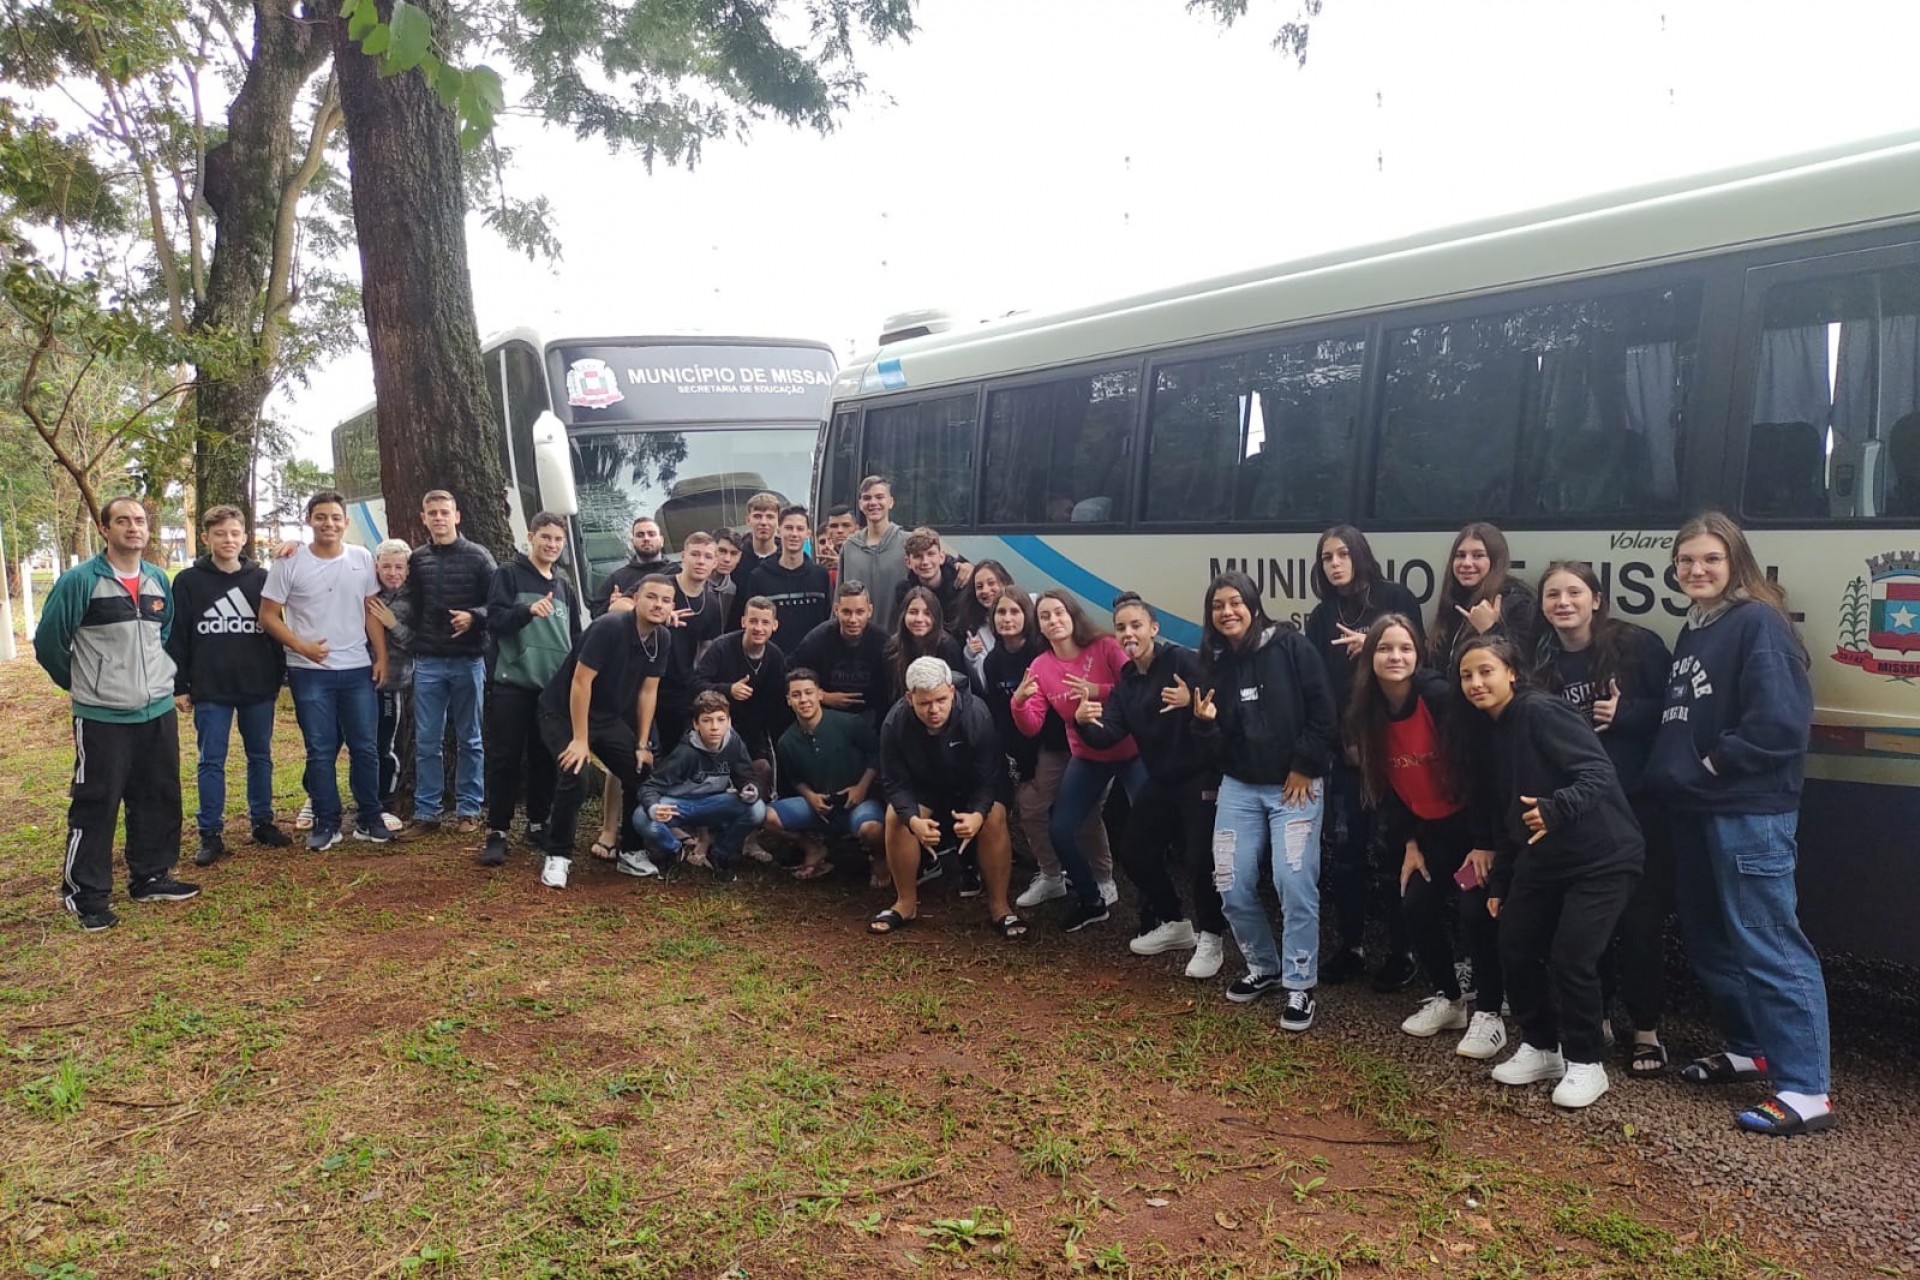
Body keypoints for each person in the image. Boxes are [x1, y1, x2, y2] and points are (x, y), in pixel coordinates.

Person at [1646, 511, 1833, 1136]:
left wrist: (1712, 761)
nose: (1696, 570)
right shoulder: (1696, 628)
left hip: (1748, 812)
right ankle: (1749, 1046)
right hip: (1697, 809)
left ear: (1736, 564)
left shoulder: (1759, 623)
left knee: (1770, 944)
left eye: (1710, 560)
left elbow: (1780, 724)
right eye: (1686, 561)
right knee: (1711, 941)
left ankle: (1806, 1089)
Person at [1460, 635, 1643, 1110]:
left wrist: (1556, 808)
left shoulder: (1541, 712)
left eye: (1486, 671)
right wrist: (1501, 882)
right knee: (1515, 944)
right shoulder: (1491, 729)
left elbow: (1598, 773)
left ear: (1512, 674)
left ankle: (1586, 1062)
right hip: (1543, 859)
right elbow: (1509, 813)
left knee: (1571, 957)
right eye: (1467, 675)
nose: (1476, 682)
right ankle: (1542, 1046)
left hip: (1603, 857)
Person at [1534, 561, 1675, 1077]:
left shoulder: (1638, 646)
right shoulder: (1543, 662)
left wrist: (1628, 715)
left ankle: (1648, 1032)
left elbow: (1680, 712)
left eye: (1574, 592)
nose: (1563, 602)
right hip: (1581, 814)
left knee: (1640, 923)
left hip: (1638, 808)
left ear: (1597, 599)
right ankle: (1598, 1019)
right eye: (1553, 595)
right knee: (1588, 925)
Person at [33, 496, 198, 930]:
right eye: (122, 520)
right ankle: (86, 895)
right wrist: (84, 684)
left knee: (159, 794)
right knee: (97, 803)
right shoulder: (80, 581)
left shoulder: (158, 580)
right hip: (102, 716)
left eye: (140, 521)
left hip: (157, 711)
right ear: (105, 529)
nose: (133, 527)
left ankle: (151, 875)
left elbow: (161, 637)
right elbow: (49, 644)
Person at [1345, 615, 1506, 1059]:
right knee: (1415, 905)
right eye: (1384, 648)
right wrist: (1410, 843)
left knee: (1476, 913)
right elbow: (1386, 787)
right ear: (1370, 658)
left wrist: (1486, 841)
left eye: (1405, 648)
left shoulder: (1437, 698)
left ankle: (1490, 1013)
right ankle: (1449, 999)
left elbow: (1480, 770)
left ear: (1418, 655)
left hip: (1474, 828)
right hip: (1429, 833)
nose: (1395, 657)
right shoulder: (1366, 710)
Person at [1192, 569, 1336, 1031]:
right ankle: (1264, 967)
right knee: (1230, 880)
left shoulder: (1291, 646)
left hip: (1295, 784)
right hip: (1240, 785)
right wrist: (1206, 723)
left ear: (1254, 606)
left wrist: (1304, 764)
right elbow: (1212, 745)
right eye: (1218, 606)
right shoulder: (1214, 664)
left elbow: (1323, 711)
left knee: (1293, 882)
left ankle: (1300, 985)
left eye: (1235, 602)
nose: (1227, 612)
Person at [1078, 593, 1229, 978]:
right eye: (1121, 628)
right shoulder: (1126, 682)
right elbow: (1109, 733)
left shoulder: (1179, 660)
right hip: (1162, 779)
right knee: (1134, 849)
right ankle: (1175, 923)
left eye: (1136, 626)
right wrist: (1084, 720)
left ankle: (1212, 938)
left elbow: (1218, 698)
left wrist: (1189, 699)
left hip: (1200, 775)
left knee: (1199, 859)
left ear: (1154, 629)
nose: (1128, 634)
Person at [1303, 525, 1425, 990]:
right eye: (1326, 557)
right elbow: (1318, 688)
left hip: (1394, 751)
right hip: (1347, 754)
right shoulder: (1321, 615)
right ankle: (1351, 945)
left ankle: (1404, 950)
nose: (1335, 563)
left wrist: (1370, 644)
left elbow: (1418, 665)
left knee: (1396, 850)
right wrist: (1340, 741)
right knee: (1347, 854)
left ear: (1360, 556)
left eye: (1342, 554)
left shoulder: (1394, 597)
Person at [261, 491, 391, 851]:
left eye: (335, 517)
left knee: (365, 747)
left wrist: (381, 657)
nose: (329, 524)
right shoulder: (289, 562)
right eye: (321, 517)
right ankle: (327, 820)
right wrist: (300, 646)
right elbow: (268, 615)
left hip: (356, 669)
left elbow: (370, 610)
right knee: (319, 749)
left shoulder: (362, 558)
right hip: (309, 671)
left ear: (345, 522)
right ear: (309, 520)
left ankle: (369, 817)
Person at [1011, 590, 1142, 932]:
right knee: (1060, 828)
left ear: (1073, 615)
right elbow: (1032, 726)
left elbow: (1137, 687)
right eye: (1045, 616)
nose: (1053, 621)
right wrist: (1019, 703)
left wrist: (1095, 690)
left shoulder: (1105, 646)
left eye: (1059, 613)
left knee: (1146, 828)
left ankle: (1157, 911)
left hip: (1131, 751)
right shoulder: (1040, 666)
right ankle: (1090, 899)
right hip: (1088, 755)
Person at [535, 574, 676, 889]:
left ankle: (631, 851)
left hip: (607, 717)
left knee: (640, 770)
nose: (658, 605)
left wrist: (642, 743)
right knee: (576, 771)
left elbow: (647, 693)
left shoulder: (662, 638)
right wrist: (581, 739)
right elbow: (580, 683)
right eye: (652, 597)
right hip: (561, 712)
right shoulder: (609, 627)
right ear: (636, 598)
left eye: (666, 600)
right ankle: (558, 856)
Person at [167, 504, 289, 865]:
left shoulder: (261, 578)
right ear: (206, 537)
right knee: (211, 761)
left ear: (245, 538)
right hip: (211, 687)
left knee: (260, 757)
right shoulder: (189, 581)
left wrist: (280, 675)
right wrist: (180, 684)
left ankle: (262, 822)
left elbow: (276, 628)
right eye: (220, 534)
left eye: (235, 533)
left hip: (257, 684)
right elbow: (178, 636)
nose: (228, 540)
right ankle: (210, 833)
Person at [871, 656, 1023, 938]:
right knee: (896, 817)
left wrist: (977, 813)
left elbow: (989, 776)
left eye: (941, 700)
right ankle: (905, 903)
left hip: (972, 783)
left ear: (951, 691)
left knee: (994, 817)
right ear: (909, 698)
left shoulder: (977, 715)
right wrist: (912, 819)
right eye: (924, 703)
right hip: (926, 783)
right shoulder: (895, 722)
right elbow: (894, 780)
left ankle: (1000, 907)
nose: (934, 710)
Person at [978, 591, 1103, 911]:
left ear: (1028, 617)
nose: (1007, 618)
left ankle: (1103, 878)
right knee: (1031, 807)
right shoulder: (993, 662)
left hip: (1079, 742)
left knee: (1086, 815)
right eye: (1000, 612)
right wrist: (1020, 758)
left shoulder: (1042, 651)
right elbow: (1005, 714)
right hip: (1039, 747)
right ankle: (1051, 875)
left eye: (1015, 611)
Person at [480, 512, 582, 866]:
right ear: (531, 537)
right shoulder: (508, 574)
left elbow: (575, 637)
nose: (551, 545)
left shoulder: (565, 585)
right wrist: (526, 611)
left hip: (551, 691)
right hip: (512, 684)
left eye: (557, 540)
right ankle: (497, 831)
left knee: (545, 759)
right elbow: (494, 622)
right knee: (505, 758)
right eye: (546, 538)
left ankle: (539, 822)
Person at [406, 489, 497, 834]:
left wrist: (474, 617)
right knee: (427, 740)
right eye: (433, 513)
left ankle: (468, 809)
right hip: (428, 660)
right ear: (424, 518)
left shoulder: (478, 557)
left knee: (469, 738)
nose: (439, 518)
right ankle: (427, 812)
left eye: (445, 512)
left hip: (468, 660)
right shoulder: (417, 559)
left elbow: (498, 603)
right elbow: (409, 603)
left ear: (457, 516)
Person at [634, 690, 766, 882]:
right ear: (696, 724)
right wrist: (655, 808)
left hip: (715, 803)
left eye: (721, 720)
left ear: (729, 721)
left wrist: (750, 789)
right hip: (681, 805)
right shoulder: (685, 752)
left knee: (757, 809)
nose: (715, 727)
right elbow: (649, 787)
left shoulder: (734, 743)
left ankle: (722, 854)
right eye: (707, 720)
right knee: (641, 817)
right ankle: (674, 850)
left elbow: (746, 775)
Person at [770, 667, 886, 880]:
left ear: (820, 694)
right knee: (765, 816)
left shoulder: (849, 723)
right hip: (819, 808)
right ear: (788, 701)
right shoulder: (786, 741)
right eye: (796, 695)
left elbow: (877, 754)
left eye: (808, 692)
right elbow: (795, 778)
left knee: (871, 829)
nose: (803, 699)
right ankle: (813, 849)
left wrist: (861, 787)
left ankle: (880, 859)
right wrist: (810, 796)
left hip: (857, 803)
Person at [693, 596, 788, 801]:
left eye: (765, 622)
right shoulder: (722, 647)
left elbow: (779, 699)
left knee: (762, 768)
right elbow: (696, 684)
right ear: (743, 621)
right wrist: (728, 690)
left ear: (775, 625)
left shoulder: (775, 656)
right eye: (753, 621)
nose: (758, 628)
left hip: (754, 728)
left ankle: (757, 817)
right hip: (717, 725)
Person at [1429, 522, 1537, 674]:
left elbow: (1521, 666)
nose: (1466, 563)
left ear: (1495, 561)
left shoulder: (1518, 602)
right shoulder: (1454, 600)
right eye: (1460, 556)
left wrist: (1490, 629)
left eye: (1478, 555)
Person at [790, 580, 891, 725]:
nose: (853, 619)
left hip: (871, 717)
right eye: (846, 612)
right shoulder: (817, 639)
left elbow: (892, 690)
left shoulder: (883, 642)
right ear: (836, 610)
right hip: (825, 716)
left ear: (869, 611)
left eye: (860, 612)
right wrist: (822, 696)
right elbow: (791, 675)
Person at [366, 540, 415, 833]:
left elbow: (416, 641)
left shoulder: (413, 599)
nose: (392, 572)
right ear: (376, 567)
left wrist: (392, 622)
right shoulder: (368, 592)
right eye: (386, 566)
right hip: (359, 680)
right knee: (359, 743)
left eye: (399, 567)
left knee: (386, 743)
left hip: (393, 682)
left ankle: (385, 802)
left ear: (407, 570)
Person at [742, 505, 832, 645]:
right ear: (778, 531)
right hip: (773, 662)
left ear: (808, 534)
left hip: (814, 662)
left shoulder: (821, 576)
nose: (794, 534)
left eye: (800, 529)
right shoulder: (759, 577)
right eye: (789, 528)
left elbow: (828, 623)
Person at [838, 476, 911, 632]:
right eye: (867, 498)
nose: (873, 503)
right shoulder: (850, 547)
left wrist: (963, 566)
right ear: (860, 504)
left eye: (879, 497)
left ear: (891, 502)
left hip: (898, 641)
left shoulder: (908, 543)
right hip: (859, 641)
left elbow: (939, 564)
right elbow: (839, 597)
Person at [885, 586, 969, 701]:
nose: (919, 619)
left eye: (927, 613)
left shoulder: (948, 647)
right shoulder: (892, 647)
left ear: (936, 616)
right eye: (913, 612)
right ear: (903, 615)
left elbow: (959, 693)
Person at [588, 515, 677, 615]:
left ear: (661, 541)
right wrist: (611, 606)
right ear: (632, 542)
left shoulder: (677, 573)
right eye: (640, 535)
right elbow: (595, 614)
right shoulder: (618, 578)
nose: (646, 538)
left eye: (651, 534)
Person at [890, 527, 970, 633]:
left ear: (941, 557)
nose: (925, 562)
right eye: (918, 556)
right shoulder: (904, 592)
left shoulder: (962, 582)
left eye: (931, 554)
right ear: (908, 562)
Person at [956, 559, 1016, 688]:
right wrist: (971, 656)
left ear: (1004, 582)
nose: (985, 590)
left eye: (991, 583)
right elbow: (984, 685)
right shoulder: (978, 633)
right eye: (979, 586)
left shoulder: (1031, 606)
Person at [734, 491, 784, 583]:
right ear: (748, 520)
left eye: (770, 517)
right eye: (757, 516)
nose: (763, 522)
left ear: (778, 521)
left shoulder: (787, 558)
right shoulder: (736, 558)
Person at [710, 527, 743, 628]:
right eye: (722, 551)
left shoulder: (732, 589)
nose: (727, 559)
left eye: (734, 553)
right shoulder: (692, 580)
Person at [820, 505, 857, 589]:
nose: (840, 530)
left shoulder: (866, 555)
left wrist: (842, 565)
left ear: (856, 528)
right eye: (834, 526)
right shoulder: (823, 561)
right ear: (828, 530)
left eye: (846, 525)